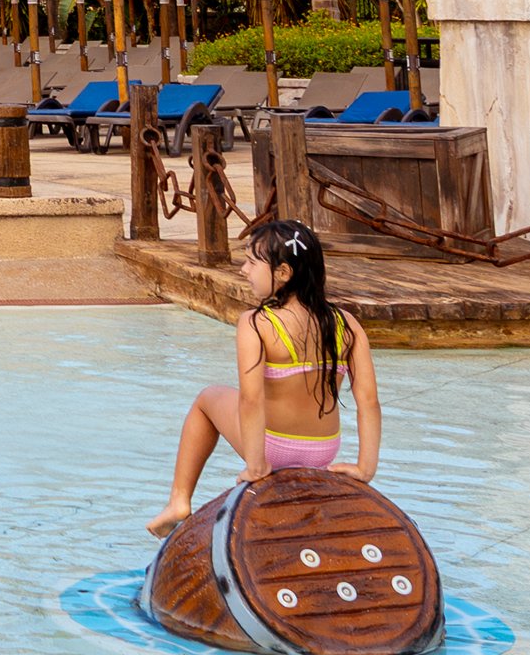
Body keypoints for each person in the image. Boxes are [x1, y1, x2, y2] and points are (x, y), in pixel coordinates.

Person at [147, 219, 381, 538]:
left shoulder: (257, 324)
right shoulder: (347, 324)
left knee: (206, 400)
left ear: (283, 273)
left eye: (251, 262)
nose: (244, 270)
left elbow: (251, 399)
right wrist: (365, 468)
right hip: (324, 451)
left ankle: (178, 502)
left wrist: (256, 466)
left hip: (274, 450)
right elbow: (368, 401)